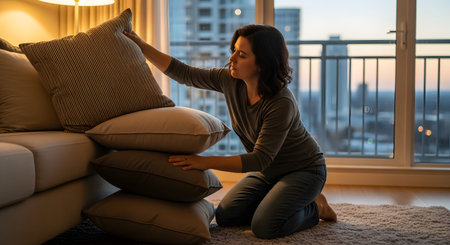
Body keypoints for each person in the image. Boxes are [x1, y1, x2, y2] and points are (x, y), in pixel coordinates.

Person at [124, 24, 337, 239]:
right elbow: (185, 74)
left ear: (263, 63)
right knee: (226, 216)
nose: (232, 58)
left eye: (242, 54)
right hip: (269, 173)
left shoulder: (281, 102)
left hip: (304, 170)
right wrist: (141, 46)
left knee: (265, 227)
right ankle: (279, 198)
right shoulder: (230, 81)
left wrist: (206, 161)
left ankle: (316, 208)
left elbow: (260, 159)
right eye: (234, 50)